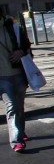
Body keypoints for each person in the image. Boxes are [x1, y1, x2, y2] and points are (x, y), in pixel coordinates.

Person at [1, 16, 30, 152]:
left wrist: (21, 51)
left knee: (19, 107)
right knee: (11, 106)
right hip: (2, 77)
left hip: (19, 73)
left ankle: (20, 132)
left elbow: (26, 46)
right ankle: (16, 141)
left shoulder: (13, 28)